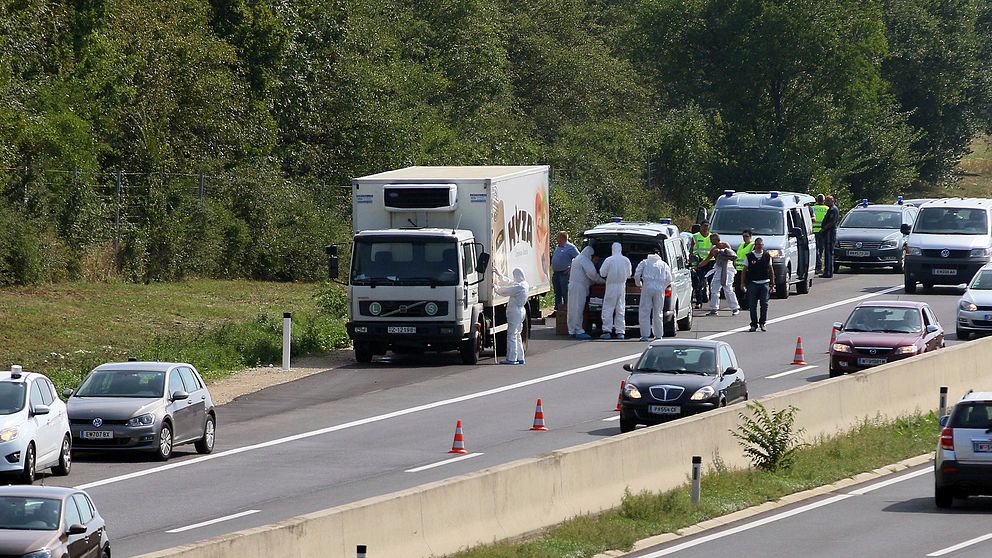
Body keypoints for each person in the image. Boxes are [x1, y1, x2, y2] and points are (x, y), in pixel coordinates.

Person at [634, 249, 673, 341]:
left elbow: (637, 274)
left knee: (645, 311)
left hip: (647, 286)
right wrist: (663, 286)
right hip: (659, 288)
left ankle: (645, 335)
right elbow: (669, 278)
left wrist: (639, 284)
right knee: (658, 312)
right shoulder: (663, 264)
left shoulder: (644, 262)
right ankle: (658, 335)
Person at [493, 267, 529, 364]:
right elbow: (510, 283)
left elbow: (505, 291)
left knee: (511, 335)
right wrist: (499, 275)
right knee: (517, 335)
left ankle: (512, 358)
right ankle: (520, 357)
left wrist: (496, 287)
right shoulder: (524, 284)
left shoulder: (518, 287)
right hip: (521, 311)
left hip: (515, 311)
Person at [567, 246, 604, 340]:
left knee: (572, 308)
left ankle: (572, 330)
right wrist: (603, 281)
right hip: (579, 288)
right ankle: (578, 330)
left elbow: (586, 276)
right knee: (578, 309)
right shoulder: (585, 260)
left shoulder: (577, 259)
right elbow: (593, 275)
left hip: (573, 286)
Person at [699, 233, 740, 316]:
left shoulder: (725, 245)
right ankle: (714, 309)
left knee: (728, 288)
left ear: (716, 240)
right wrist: (698, 265)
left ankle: (735, 308)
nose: (710, 241)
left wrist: (721, 252)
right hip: (718, 268)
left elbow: (731, 255)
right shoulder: (713, 249)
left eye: (711, 240)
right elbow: (707, 260)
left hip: (728, 268)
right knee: (714, 287)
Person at [599, 242, 632, 339]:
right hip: (622, 286)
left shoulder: (609, 260)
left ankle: (607, 330)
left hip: (611, 286)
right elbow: (629, 274)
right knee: (620, 309)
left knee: (608, 308)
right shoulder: (626, 260)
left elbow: (602, 273)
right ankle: (620, 332)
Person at [742, 237, 775, 331]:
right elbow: (744, 271)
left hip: (765, 283)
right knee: (752, 305)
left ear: (763, 246)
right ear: (754, 245)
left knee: (764, 304)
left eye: (761, 245)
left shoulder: (767, 256)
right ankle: (753, 324)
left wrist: (773, 283)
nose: (759, 247)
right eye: (757, 245)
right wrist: (742, 283)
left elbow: (771, 270)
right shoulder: (749, 256)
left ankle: (762, 323)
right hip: (753, 283)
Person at [551, 231, 579, 309]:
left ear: (563, 238)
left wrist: (571, 267)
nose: (557, 239)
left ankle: (567, 309)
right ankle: (558, 309)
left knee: (565, 292)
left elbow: (579, 258)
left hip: (564, 273)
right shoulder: (558, 247)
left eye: (558, 237)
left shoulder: (570, 247)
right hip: (556, 273)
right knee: (557, 292)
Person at [691, 221, 713, 308]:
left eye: (707, 226)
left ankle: (713, 303)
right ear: (700, 227)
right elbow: (692, 249)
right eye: (704, 226)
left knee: (712, 282)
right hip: (699, 261)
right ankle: (698, 302)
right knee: (698, 282)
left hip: (711, 261)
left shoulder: (712, 236)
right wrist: (692, 261)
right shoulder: (695, 236)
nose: (705, 228)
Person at [734, 229, 754, 310]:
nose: (745, 238)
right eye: (743, 236)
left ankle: (747, 304)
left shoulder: (752, 245)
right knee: (738, 288)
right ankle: (741, 303)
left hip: (747, 270)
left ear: (750, 237)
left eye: (746, 236)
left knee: (746, 288)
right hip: (738, 269)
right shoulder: (741, 245)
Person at [820, 195, 840, 278]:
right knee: (827, 253)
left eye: (827, 201)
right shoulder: (830, 209)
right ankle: (827, 271)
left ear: (832, 201)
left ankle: (828, 272)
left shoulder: (833, 210)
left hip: (830, 232)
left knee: (828, 253)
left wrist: (824, 229)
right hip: (828, 232)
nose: (826, 202)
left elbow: (831, 222)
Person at [812, 194, 828, 274]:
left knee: (816, 249)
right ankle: (819, 264)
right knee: (820, 249)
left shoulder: (813, 208)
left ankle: (817, 265)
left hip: (814, 230)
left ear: (816, 199)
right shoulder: (827, 208)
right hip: (823, 231)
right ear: (824, 200)